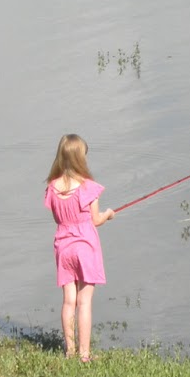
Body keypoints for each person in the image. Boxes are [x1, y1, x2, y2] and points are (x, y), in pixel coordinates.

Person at [44, 134, 116, 362]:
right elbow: (95, 220)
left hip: (63, 248)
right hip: (85, 247)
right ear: (79, 159)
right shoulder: (88, 188)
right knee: (84, 302)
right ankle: (84, 355)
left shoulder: (53, 188)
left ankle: (69, 351)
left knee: (68, 301)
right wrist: (108, 215)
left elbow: (58, 217)